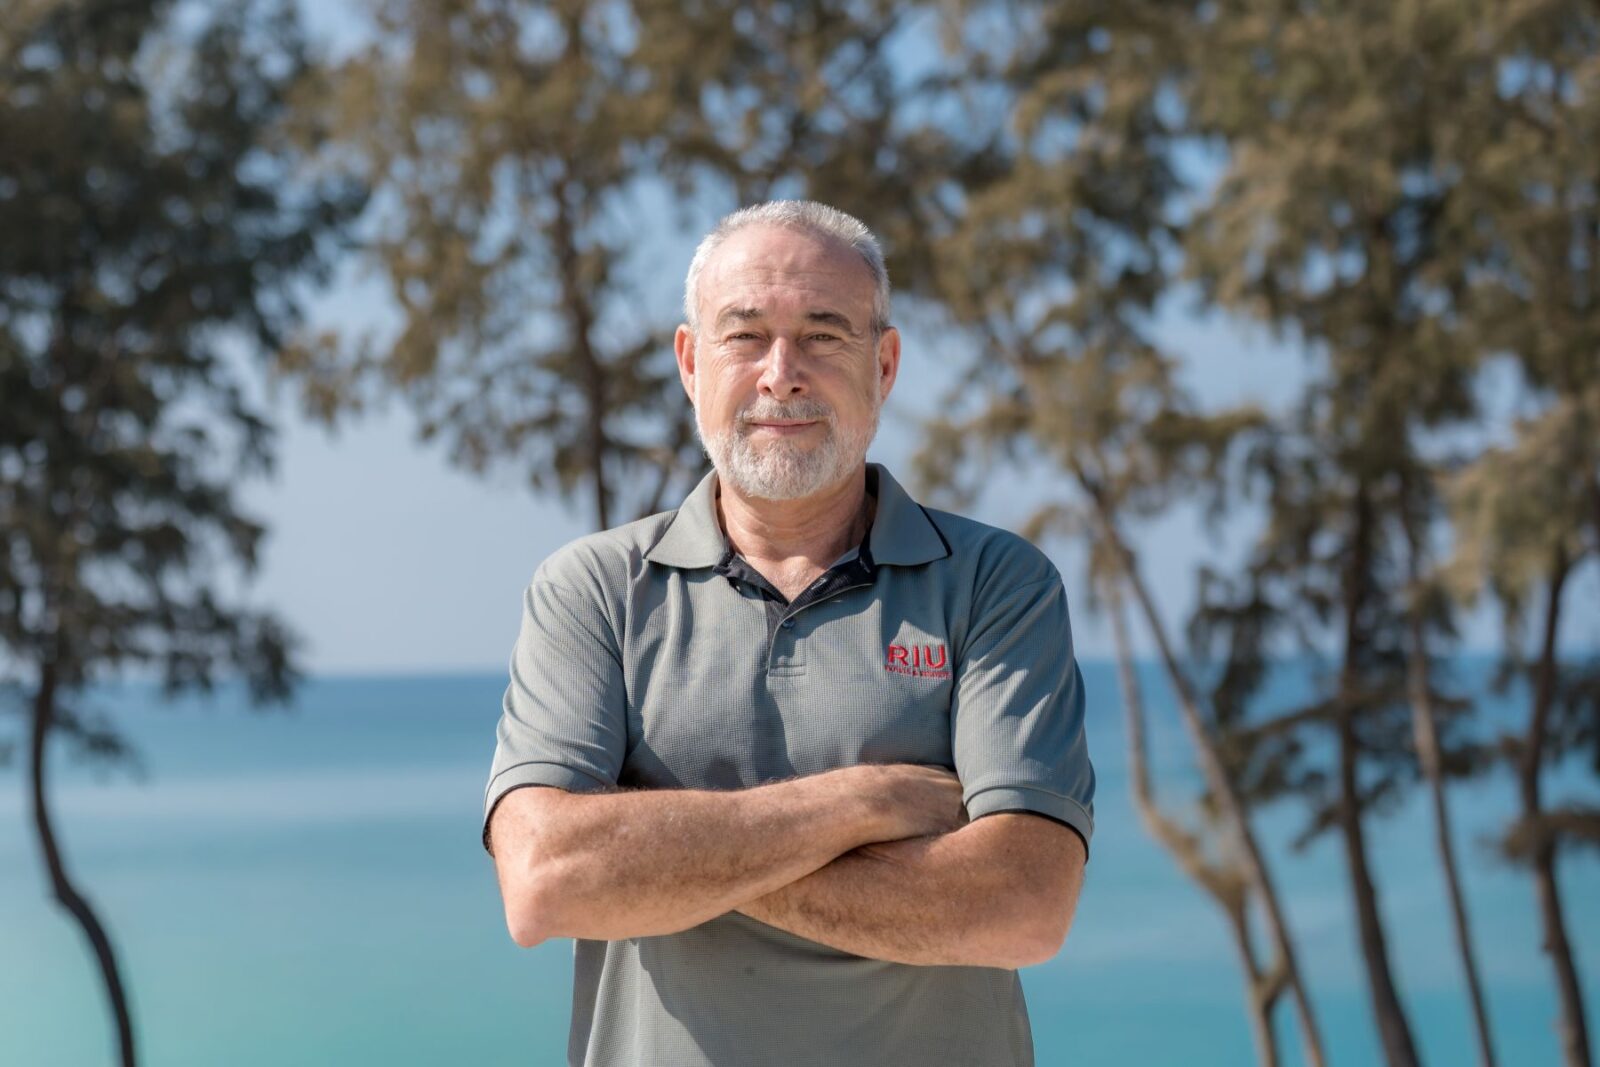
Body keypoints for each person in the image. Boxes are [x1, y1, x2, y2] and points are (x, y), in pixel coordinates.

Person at [481, 200, 1095, 1067]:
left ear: (883, 366)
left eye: (824, 333)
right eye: (745, 335)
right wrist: (863, 804)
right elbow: (546, 882)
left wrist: (659, 863)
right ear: (692, 363)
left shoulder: (997, 585)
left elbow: (1023, 905)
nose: (782, 373)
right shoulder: (594, 591)